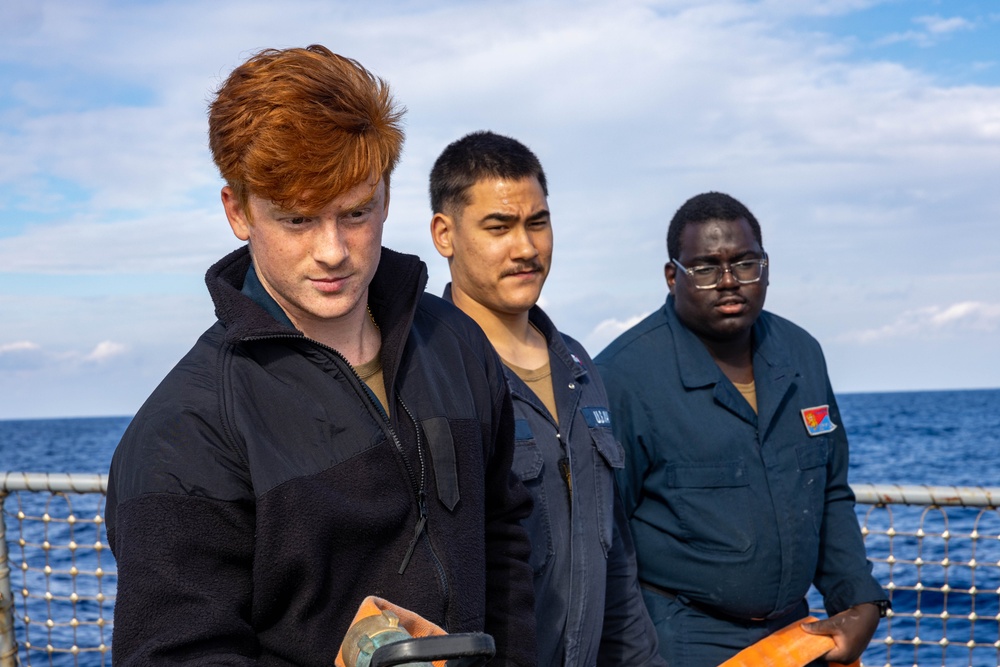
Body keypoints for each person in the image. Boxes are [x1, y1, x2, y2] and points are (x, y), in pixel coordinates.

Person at [105, 46, 536, 666]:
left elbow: (504, 539)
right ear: (238, 212)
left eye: (356, 212)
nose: (333, 251)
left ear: (387, 195)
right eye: (298, 219)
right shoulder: (183, 432)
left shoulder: (459, 344)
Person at [595, 191, 889, 666]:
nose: (729, 282)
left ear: (766, 268)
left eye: (745, 264)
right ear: (673, 277)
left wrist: (860, 601)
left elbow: (830, 491)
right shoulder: (623, 377)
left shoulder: (801, 355)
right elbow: (605, 539)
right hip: (681, 639)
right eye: (706, 268)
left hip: (800, 633)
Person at [428, 130, 665, 666]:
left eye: (538, 222)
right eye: (499, 227)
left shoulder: (579, 367)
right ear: (445, 233)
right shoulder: (427, 374)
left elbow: (616, 560)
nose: (527, 248)